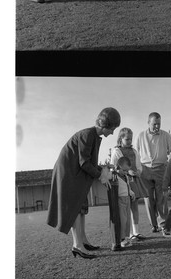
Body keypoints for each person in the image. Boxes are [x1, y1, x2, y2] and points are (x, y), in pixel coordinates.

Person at [47, 107, 121, 259]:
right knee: (75, 207)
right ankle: (77, 245)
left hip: (76, 173)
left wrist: (103, 169)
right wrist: (101, 175)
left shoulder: (94, 136)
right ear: (105, 125)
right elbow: (84, 163)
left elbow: (89, 162)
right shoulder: (88, 134)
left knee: (81, 208)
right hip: (68, 174)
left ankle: (83, 241)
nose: (112, 133)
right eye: (112, 128)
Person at [134, 112, 171, 233]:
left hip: (161, 169)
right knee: (149, 198)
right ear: (148, 123)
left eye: (159, 124)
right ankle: (154, 224)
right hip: (145, 170)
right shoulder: (140, 135)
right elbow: (135, 152)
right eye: (154, 124)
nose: (157, 126)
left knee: (161, 198)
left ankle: (162, 223)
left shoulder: (165, 135)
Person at [111, 127, 149, 242]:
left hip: (134, 181)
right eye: (127, 139)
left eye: (131, 139)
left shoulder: (134, 151)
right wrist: (128, 172)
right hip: (123, 182)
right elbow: (114, 168)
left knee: (134, 206)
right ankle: (126, 234)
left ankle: (135, 232)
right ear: (120, 138)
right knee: (125, 210)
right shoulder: (117, 151)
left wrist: (138, 171)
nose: (129, 141)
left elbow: (139, 166)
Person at [108, 156, 136, 250]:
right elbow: (106, 179)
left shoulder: (126, 176)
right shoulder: (114, 176)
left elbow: (128, 187)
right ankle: (121, 238)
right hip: (120, 200)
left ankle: (127, 237)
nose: (125, 172)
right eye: (124, 170)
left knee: (128, 219)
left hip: (127, 199)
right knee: (122, 220)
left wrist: (131, 193)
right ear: (118, 167)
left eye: (127, 170)